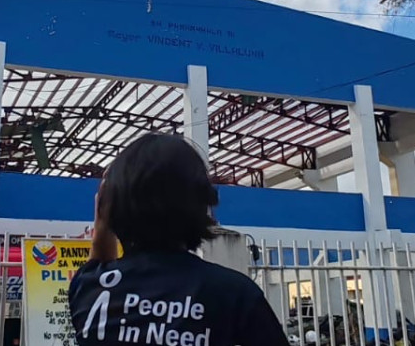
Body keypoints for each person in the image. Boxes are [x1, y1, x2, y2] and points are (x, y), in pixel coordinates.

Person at [69, 134, 289, 346]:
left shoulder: (88, 289)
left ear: (108, 209)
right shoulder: (232, 293)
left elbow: (98, 265)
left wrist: (102, 222)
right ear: (202, 204)